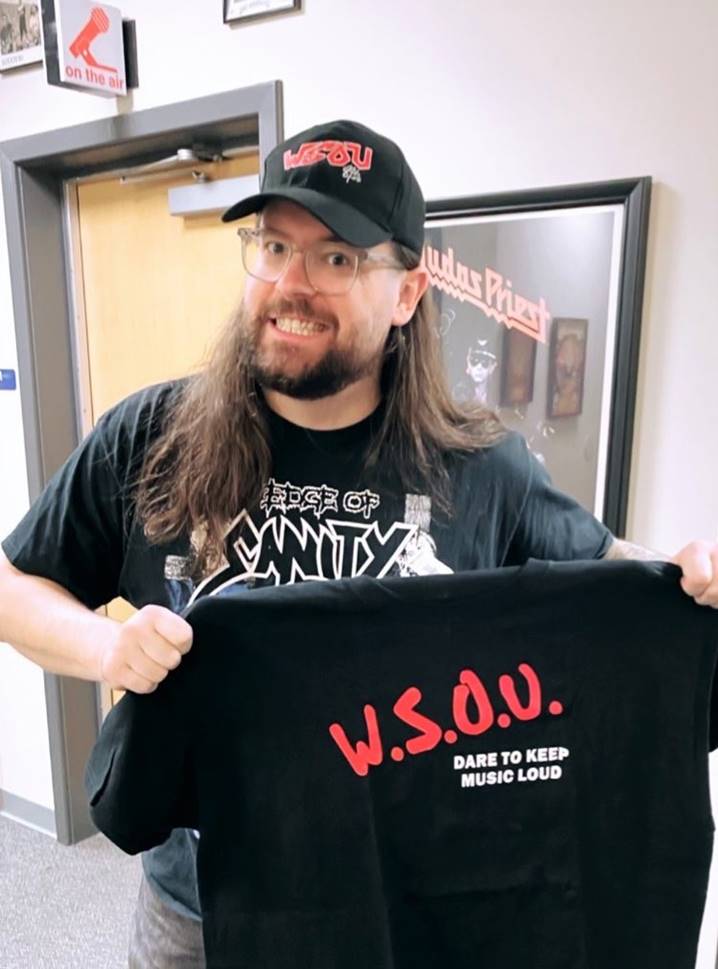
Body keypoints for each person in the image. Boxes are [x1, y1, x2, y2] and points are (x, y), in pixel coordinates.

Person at [0, 119, 716, 969]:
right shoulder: (152, 436)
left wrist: (687, 582)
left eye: (337, 257)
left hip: (396, 899)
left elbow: (612, 583)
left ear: (408, 292)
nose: (290, 283)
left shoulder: (482, 468)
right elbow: (12, 581)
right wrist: (108, 646)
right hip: (198, 910)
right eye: (272, 245)